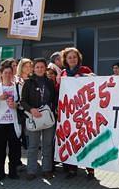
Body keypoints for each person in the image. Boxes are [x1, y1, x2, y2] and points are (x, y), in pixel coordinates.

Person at [60, 47, 95, 179]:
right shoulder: (63, 73)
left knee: (86, 139)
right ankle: (72, 169)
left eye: (74, 57)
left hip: (84, 110)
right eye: (69, 57)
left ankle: (90, 169)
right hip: (69, 112)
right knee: (71, 140)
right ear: (65, 59)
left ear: (78, 58)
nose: (72, 59)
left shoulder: (85, 70)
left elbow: (94, 85)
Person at [21, 58, 57, 181]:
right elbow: (23, 101)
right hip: (34, 117)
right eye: (37, 67)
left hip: (47, 118)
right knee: (33, 145)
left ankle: (47, 170)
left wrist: (54, 110)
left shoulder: (50, 82)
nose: (40, 69)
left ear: (45, 68)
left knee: (47, 145)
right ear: (33, 69)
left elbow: (54, 99)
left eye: (42, 67)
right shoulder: (28, 83)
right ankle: (31, 171)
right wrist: (31, 109)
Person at [0, 63, 21, 180]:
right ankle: (0, 172)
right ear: (0, 74)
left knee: (14, 149)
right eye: (5, 73)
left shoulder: (17, 87)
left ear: (13, 74)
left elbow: (21, 104)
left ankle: (12, 171)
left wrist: (15, 105)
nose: (7, 75)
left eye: (10, 73)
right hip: (1, 124)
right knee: (0, 149)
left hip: (13, 123)